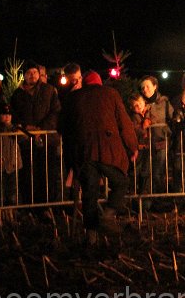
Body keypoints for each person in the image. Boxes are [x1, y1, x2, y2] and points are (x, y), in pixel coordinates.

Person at [59, 70, 138, 244]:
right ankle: (108, 215)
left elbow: (62, 127)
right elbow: (124, 122)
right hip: (107, 151)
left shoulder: (73, 98)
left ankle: (91, 235)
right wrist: (132, 146)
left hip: (84, 153)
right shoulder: (110, 93)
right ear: (99, 82)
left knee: (89, 193)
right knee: (121, 182)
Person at [10, 60, 62, 204]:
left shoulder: (49, 90)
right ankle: (29, 204)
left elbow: (55, 112)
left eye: (34, 72)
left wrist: (41, 128)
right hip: (26, 141)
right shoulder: (18, 94)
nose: (32, 75)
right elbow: (13, 115)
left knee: (47, 174)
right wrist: (25, 128)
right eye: (29, 73)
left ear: (39, 74)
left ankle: (47, 204)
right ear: (24, 76)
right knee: (27, 174)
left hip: (47, 140)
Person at [139, 76, 174, 208]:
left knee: (158, 172)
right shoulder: (140, 103)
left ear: (155, 87)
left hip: (161, 142)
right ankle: (146, 202)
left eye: (147, 86)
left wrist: (166, 131)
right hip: (146, 144)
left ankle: (158, 200)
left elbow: (172, 118)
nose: (145, 89)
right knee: (145, 172)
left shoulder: (164, 103)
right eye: (143, 87)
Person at [0, 103, 23, 217]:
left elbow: (23, 139)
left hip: (13, 165)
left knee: (12, 191)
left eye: (9, 114)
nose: (7, 117)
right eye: (4, 114)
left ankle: (10, 214)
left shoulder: (15, 129)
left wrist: (20, 131)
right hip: (0, 166)